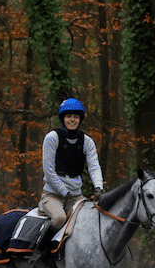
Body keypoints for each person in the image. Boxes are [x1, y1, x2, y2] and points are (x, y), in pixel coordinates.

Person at [37, 98, 104, 238]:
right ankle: (42, 251)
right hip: (53, 196)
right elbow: (49, 171)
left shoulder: (87, 141)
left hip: (76, 196)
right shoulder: (52, 138)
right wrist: (65, 193)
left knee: (93, 219)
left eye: (76, 117)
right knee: (60, 218)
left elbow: (94, 167)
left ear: (80, 119)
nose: (72, 120)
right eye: (69, 117)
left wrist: (98, 187)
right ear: (63, 118)